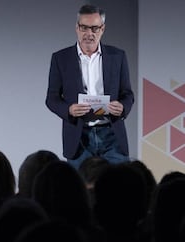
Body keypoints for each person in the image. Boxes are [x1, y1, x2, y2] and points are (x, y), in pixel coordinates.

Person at [45, 4, 134, 169]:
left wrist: (122, 108)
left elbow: (128, 94)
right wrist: (69, 110)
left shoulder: (118, 56)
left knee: (120, 187)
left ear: (103, 29)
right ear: (76, 28)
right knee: (80, 191)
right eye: (84, 28)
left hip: (111, 133)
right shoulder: (61, 58)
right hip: (79, 136)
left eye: (94, 28)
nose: (89, 34)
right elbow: (51, 98)